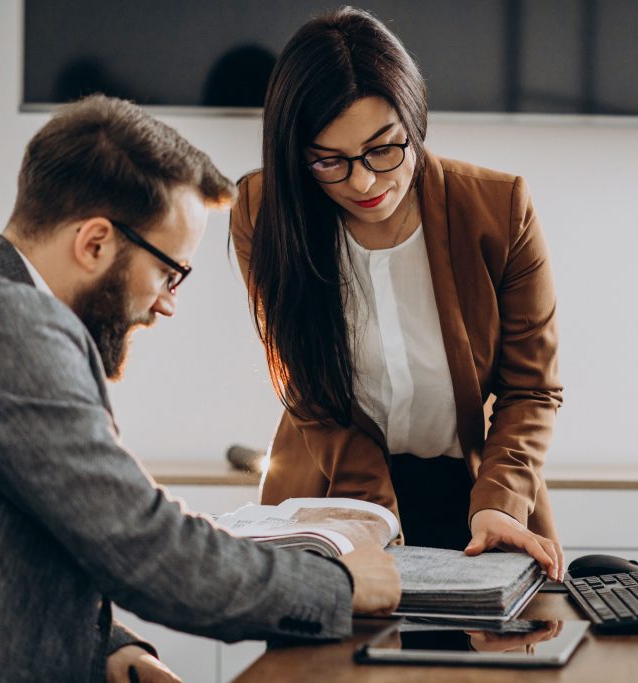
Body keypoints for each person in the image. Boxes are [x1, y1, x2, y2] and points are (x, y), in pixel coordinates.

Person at [0, 94, 399, 683]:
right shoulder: (7, 327)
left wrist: (112, 648)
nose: (168, 302)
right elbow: (142, 543)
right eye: (171, 272)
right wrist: (340, 585)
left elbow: (16, 538)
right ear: (94, 242)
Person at [230, 8, 565, 581]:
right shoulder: (265, 212)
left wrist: (500, 500)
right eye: (328, 160)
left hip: (477, 497)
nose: (362, 182)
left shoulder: (497, 208)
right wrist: (369, 513)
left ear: (415, 120)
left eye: (383, 150)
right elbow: (303, 383)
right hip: (331, 492)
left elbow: (531, 388)